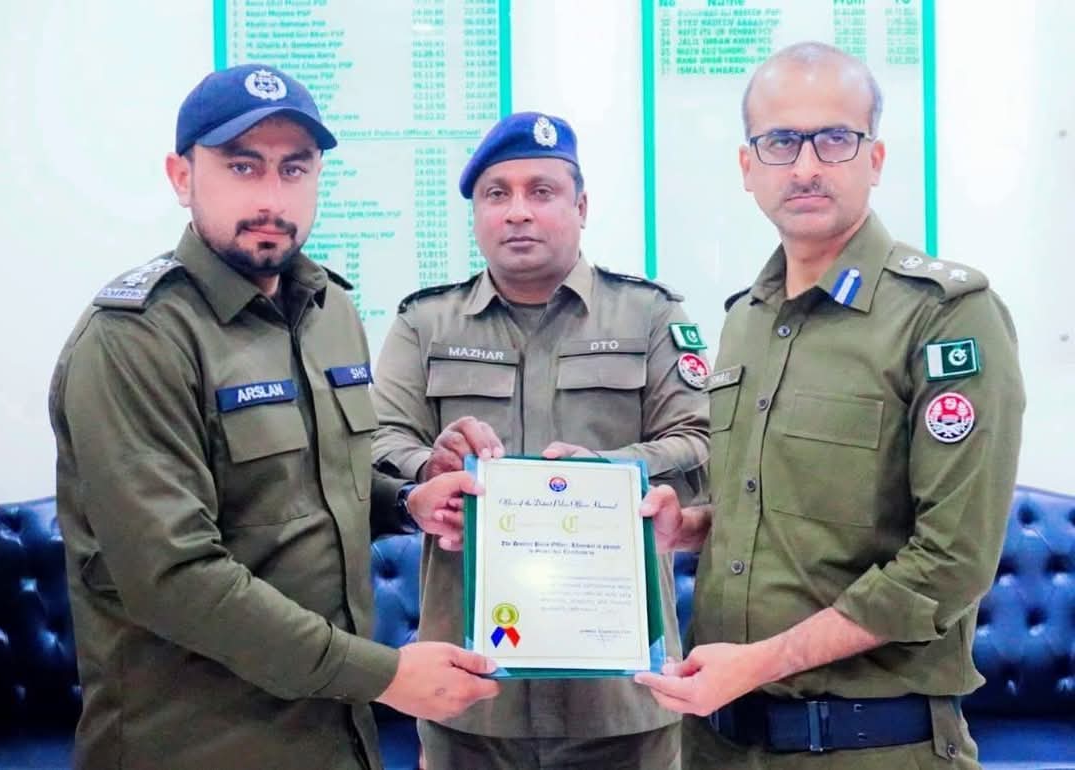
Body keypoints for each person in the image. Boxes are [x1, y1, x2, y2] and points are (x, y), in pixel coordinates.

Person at [47, 63, 500, 770]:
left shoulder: (329, 310)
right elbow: (176, 578)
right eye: (242, 166)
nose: (270, 196)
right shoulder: (136, 339)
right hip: (198, 745)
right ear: (181, 177)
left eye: (294, 168)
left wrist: (409, 501)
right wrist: (384, 675)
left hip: (336, 736)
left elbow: (316, 479)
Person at [634, 42, 1025, 769]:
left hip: (872, 746)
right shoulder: (745, 319)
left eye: (835, 139)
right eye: (780, 141)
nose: (806, 166)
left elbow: (951, 563)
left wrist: (761, 662)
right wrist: (687, 527)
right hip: (719, 743)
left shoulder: (945, 316)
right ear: (748, 166)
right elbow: (783, 513)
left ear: (874, 158)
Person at [370, 112, 711, 769]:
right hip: (471, 689)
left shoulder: (649, 315)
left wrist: (607, 476)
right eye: (497, 194)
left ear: (581, 207)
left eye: (542, 191)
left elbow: (699, 437)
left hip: (621, 693)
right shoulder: (426, 323)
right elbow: (378, 440)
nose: (518, 211)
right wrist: (430, 474)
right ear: (476, 215)